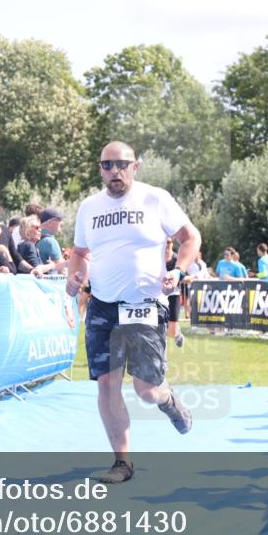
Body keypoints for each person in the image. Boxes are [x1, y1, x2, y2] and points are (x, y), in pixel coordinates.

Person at [66, 141, 202, 484]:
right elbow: (80, 251)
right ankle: (122, 463)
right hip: (102, 306)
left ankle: (167, 398)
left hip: (144, 305)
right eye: (107, 165)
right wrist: (74, 274)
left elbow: (191, 237)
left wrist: (179, 270)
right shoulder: (89, 207)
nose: (115, 171)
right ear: (100, 169)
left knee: (145, 389)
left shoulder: (155, 198)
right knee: (108, 383)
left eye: (121, 164)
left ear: (135, 166)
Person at [164, 237, 185, 348]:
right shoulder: (156, 259)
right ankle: (162, 358)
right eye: (165, 242)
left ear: (172, 243)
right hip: (159, 295)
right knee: (160, 327)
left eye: (169, 242)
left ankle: (177, 333)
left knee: (171, 331)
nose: (167, 244)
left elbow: (184, 274)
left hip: (174, 295)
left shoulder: (177, 259)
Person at [35, 208, 69, 276]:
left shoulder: (35, 237)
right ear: (49, 223)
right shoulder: (50, 242)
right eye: (59, 220)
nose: (62, 223)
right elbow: (63, 271)